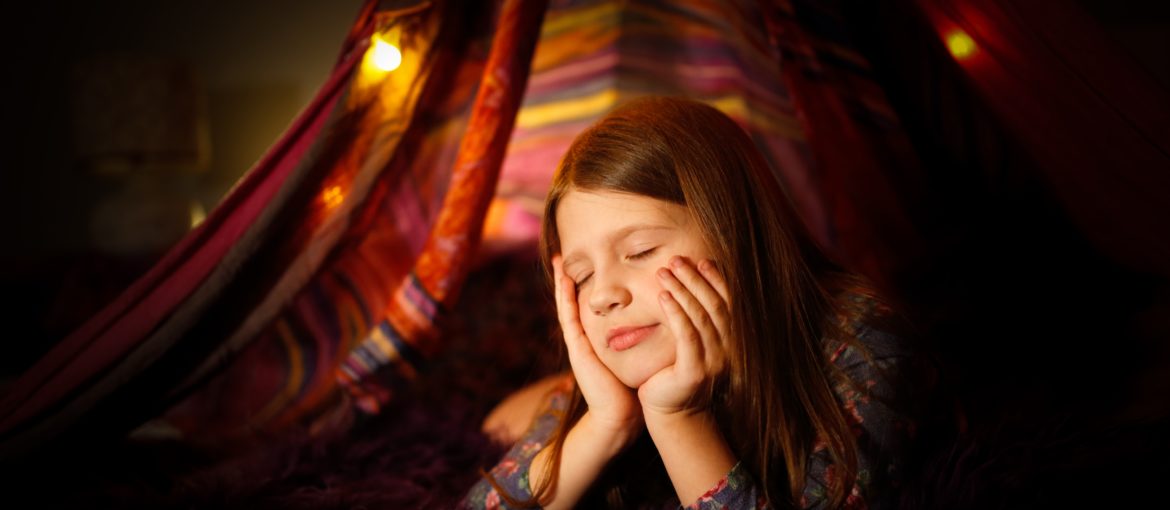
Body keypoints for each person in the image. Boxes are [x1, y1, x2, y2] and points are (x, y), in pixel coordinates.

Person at [462, 96, 931, 509]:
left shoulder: (861, 336)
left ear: (737, 237)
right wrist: (604, 423)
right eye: (581, 277)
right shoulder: (607, 387)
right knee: (500, 420)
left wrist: (679, 417)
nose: (603, 295)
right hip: (557, 395)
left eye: (641, 251)